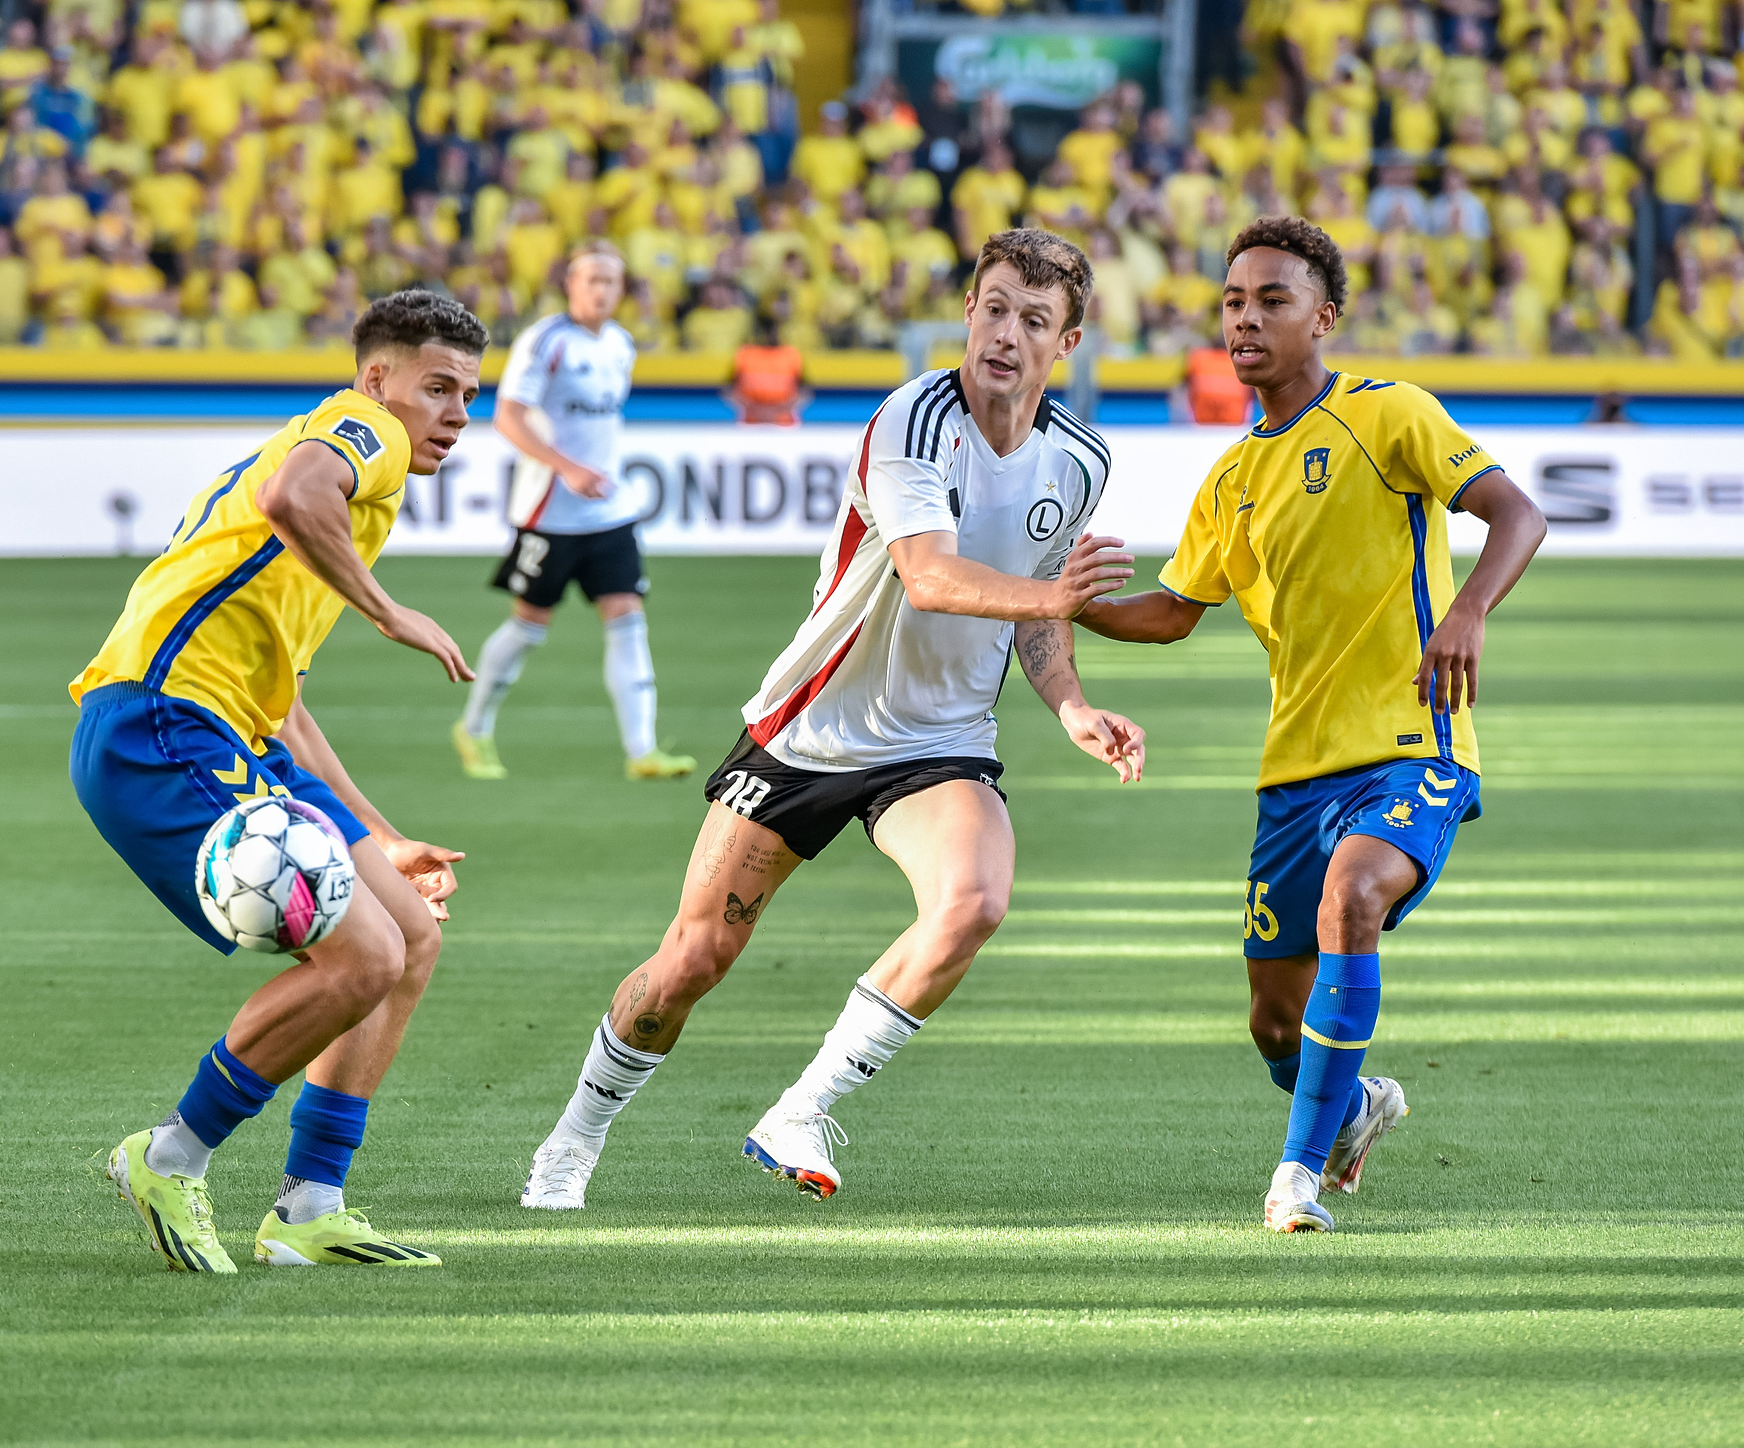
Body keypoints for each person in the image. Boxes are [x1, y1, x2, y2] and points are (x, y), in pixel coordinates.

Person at [519, 229, 1147, 1210]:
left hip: (938, 744)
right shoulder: (911, 419)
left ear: (1066, 342)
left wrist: (1069, 702)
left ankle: (802, 1107)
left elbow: (1035, 610)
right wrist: (1056, 603)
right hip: (809, 727)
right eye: (990, 308)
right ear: (968, 312)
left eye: (1033, 319)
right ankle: (573, 1137)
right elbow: (932, 578)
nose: (1004, 333)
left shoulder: (1078, 460)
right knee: (691, 959)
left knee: (973, 901)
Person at [1076, 217, 1548, 1233]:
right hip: (1295, 772)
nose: (1245, 318)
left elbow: (1517, 513)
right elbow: (1170, 611)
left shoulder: (1387, 417)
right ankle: (1354, 1102)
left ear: (1323, 318)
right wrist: (1061, 603)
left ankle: (1293, 1178)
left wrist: (1466, 611)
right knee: (1270, 1019)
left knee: (1353, 897)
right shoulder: (1233, 479)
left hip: (1414, 744)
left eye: (1272, 299)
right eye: (1233, 302)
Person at [69, 290, 490, 1272]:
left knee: (411, 935)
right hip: (161, 724)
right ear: (375, 379)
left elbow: (285, 704)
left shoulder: (334, 501)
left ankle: (310, 1204)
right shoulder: (359, 435)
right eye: (437, 386)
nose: (456, 412)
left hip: (224, 729)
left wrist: (379, 834)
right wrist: (391, 613)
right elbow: (296, 493)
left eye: (468, 392)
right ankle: (168, 1154)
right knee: (361, 958)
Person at [453, 240, 698, 782]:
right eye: (592, 280)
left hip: (610, 512)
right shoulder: (547, 341)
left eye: (611, 281)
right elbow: (509, 417)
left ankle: (643, 751)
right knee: (529, 625)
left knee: (628, 619)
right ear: (570, 284)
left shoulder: (621, 344)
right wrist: (565, 467)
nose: (602, 290)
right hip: (549, 513)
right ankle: (474, 728)